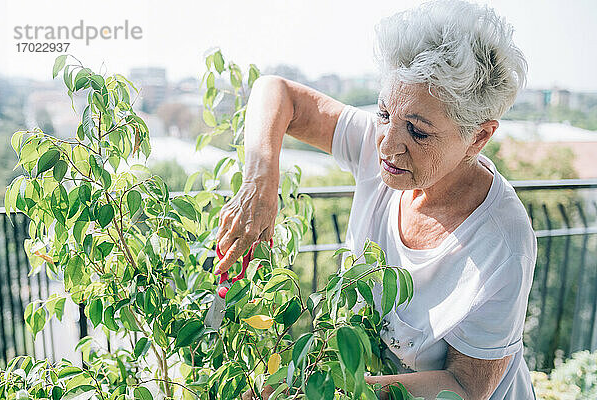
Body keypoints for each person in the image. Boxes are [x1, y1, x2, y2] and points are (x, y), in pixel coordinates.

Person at [216, 0, 537, 398]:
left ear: (479, 137)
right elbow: (275, 91)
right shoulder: (378, 142)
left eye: (418, 132)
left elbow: (465, 387)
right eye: (384, 113)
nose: (387, 145)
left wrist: (323, 391)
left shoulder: (503, 242)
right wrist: (260, 181)